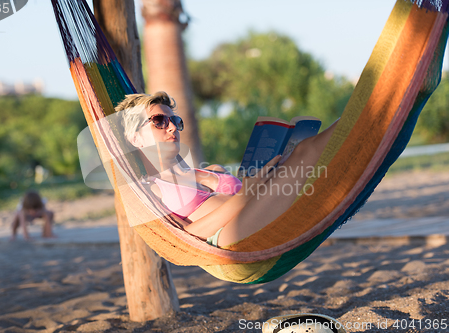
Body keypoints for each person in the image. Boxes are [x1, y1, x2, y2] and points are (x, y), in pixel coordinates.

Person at [115, 91, 339, 248]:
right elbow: (186, 236)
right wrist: (245, 194)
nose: (172, 126)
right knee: (306, 151)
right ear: (135, 138)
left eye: (175, 120)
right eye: (159, 121)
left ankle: (362, 125)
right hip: (229, 235)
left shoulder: (208, 170)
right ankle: (365, 113)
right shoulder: (150, 190)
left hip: (258, 209)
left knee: (305, 155)